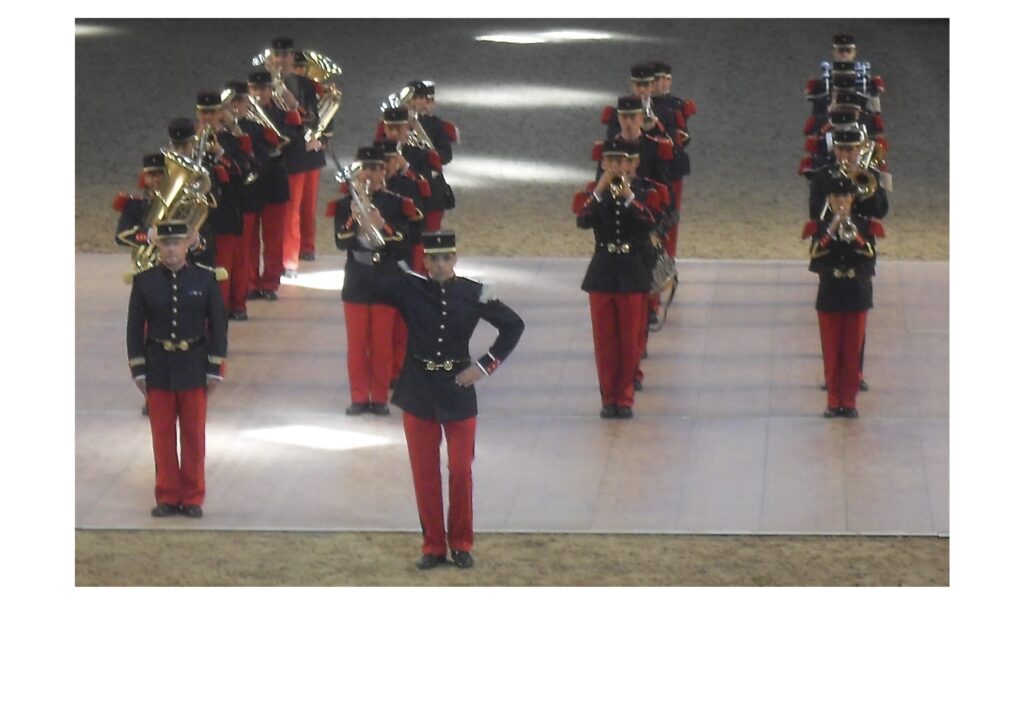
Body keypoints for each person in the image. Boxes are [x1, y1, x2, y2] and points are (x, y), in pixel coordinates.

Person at [350, 230, 524, 570]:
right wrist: (368, 239)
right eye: (434, 259)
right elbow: (364, 283)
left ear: (455, 259)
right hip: (417, 389)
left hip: (457, 388)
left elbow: (513, 325)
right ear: (425, 260)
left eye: (446, 258)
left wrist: (484, 367)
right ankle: (433, 545)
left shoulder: (474, 293)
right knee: (424, 473)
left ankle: (461, 542)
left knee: (460, 469)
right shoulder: (409, 287)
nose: (440, 264)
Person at [126, 221, 228, 517]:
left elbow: (218, 327)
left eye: (177, 243)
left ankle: (193, 497)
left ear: (188, 246)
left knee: (194, 436)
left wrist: (214, 367)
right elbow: (134, 329)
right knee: (163, 435)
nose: (171, 250)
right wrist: (138, 369)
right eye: (166, 244)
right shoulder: (144, 282)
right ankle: (167, 495)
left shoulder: (205, 280)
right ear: (158, 247)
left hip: (194, 366)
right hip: (158, 367)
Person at [332, 146, 419, 415]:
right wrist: (353, 220)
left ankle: (379, 398)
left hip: (386, 279)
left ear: (384, 172)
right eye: (366, 169)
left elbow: (404, 242)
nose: (371, 175)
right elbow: (340, 242)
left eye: (377, 169)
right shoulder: (345, 205)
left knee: (381, 345)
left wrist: (383, 225)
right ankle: (359, 396)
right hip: (357, 278)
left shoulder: (395, 203)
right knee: (357, 345)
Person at [575, 138, 658, 419]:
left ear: (629, 164)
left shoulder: (642, 193)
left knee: (628, 341)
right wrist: (599, 191)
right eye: (610, 162)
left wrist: (628, 196)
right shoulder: (595, 196)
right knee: (605, 342)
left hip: (632, 273)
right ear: (602, 164)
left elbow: (649, 223)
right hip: (603, 272)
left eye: (620, 162)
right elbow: (583, 220)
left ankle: (624, 398)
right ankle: (608, 397)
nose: (615, 167)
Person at [803, 175, 881, 418]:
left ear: (852, 198)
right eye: (836, 197)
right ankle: (832, 401)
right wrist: (832, 229)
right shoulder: (819, 227)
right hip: (830, 292)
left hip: (856, 292)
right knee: (832, 350)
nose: (841, 202)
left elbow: (869, 256)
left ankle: (849, 402)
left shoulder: (865, 226)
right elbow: (815, 256)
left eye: (845, 197)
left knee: (851, 351)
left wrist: (854, 233)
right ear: (830, 199)